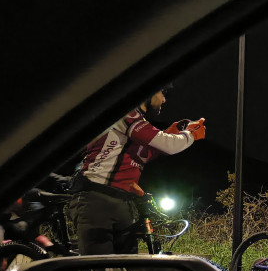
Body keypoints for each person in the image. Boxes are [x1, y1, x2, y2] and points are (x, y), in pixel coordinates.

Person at [69, 87, 206, 254]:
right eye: (163, 93)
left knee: (127, 269)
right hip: (97, 197)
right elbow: (169, 145)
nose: (164, 100)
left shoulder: (136, 122)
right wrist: (190, 135)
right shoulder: (125, 113)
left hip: (122, 200)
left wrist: (169, 133)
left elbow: (143, 154)